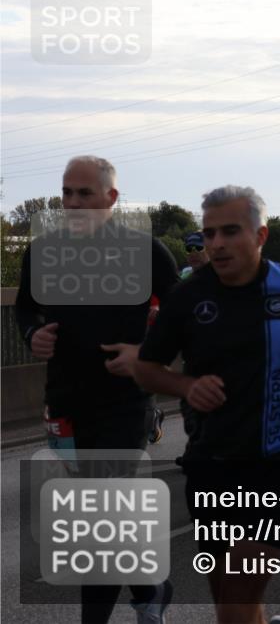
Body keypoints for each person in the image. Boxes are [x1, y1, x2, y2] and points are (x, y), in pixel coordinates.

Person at [136, 185, 280, 624]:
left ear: (260, 236)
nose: (217, 244)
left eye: (230, 232)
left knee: (238, 593)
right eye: (210, 233)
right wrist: (185, 386)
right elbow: (147, 368)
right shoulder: (188, 296)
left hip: (278, 460)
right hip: (210, 461)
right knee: (228, 601)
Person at [16, 155, 178, 624]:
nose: (72, 203)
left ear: (110, 198)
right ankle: (152, 587)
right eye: (66, 193)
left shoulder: (146, 252)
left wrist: (146, 352)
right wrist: (33, 335)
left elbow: (181, 313)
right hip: (65, 401)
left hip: (125, 403)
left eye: (84, 193)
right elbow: (26, 309)